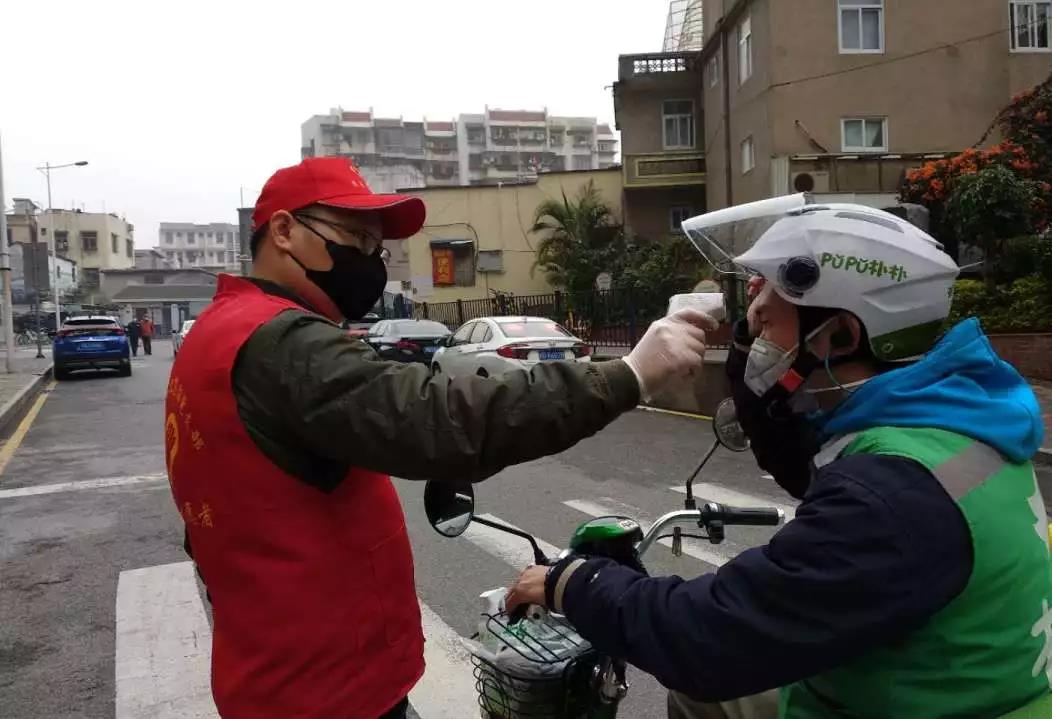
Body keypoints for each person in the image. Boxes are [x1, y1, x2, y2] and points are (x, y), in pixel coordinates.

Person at [164, 156, 716, 719]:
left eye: (376, 248)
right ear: (283, 231)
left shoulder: (217, 332)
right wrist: (628, 375)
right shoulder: (284, 342)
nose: (368, 261)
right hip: (326, 688)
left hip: (274, 666)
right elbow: (444, 420)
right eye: (356, 238)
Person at [507, 199, 1052, 718]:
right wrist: (755, 376)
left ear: (840, 336)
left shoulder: (887, 495)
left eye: (767, 320)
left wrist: (574, 582)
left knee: (703, 686)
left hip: (905, 704)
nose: (755, 336)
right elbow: (802, 472)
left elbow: (710, 639)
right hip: (961, 681)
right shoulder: (955, 422)